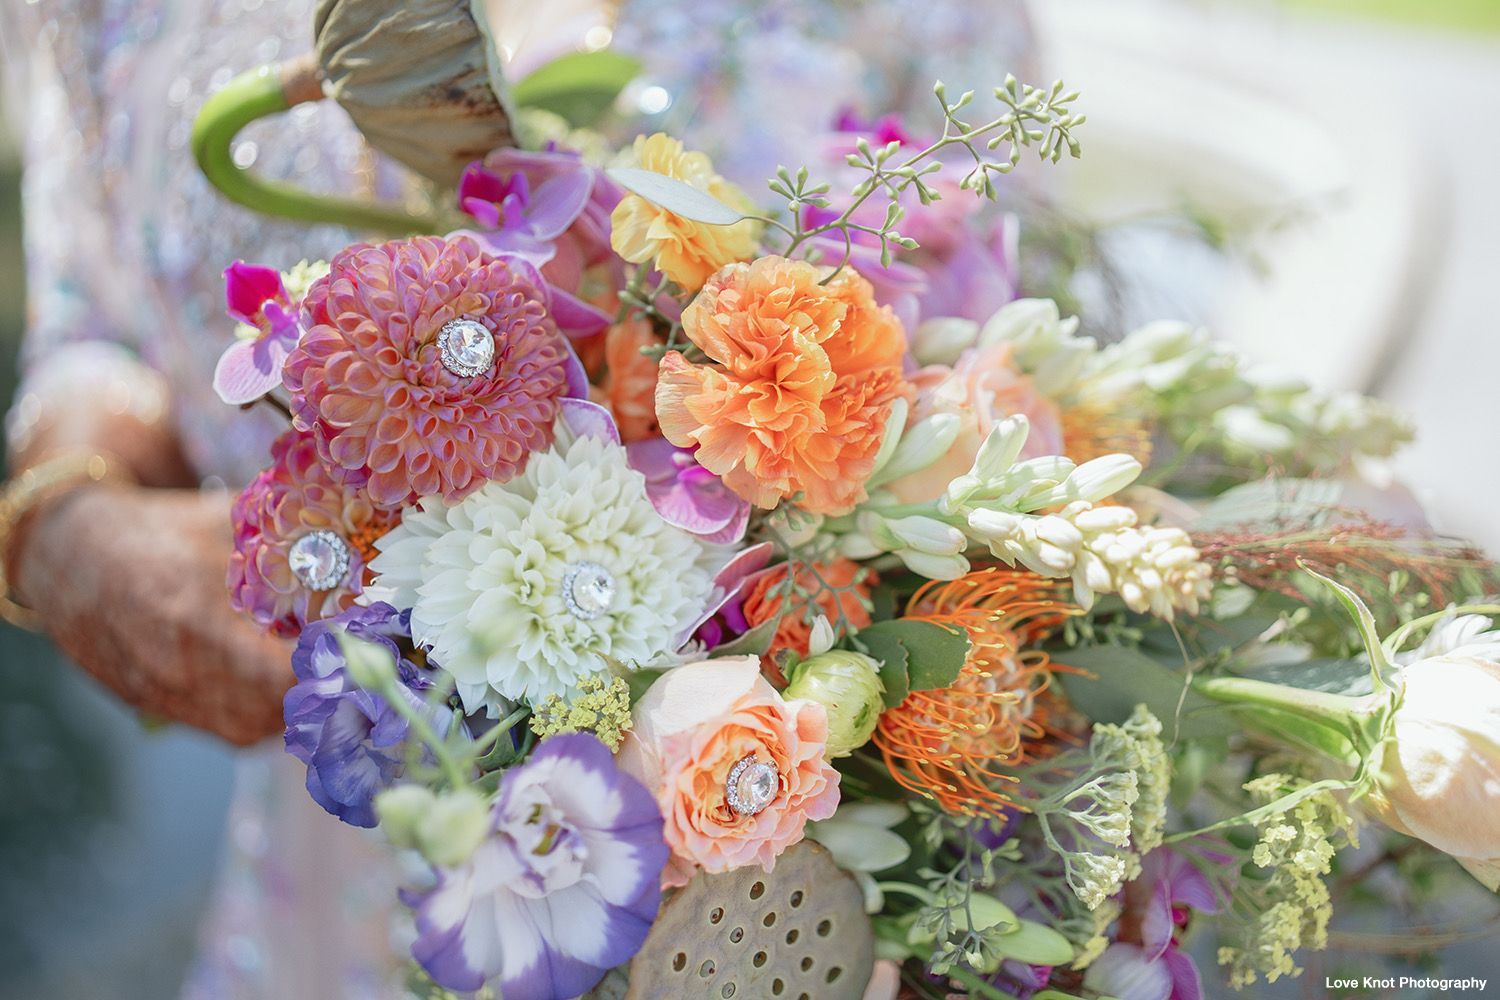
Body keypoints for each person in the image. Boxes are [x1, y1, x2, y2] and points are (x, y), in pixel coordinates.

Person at [0, 0, 1034, 995]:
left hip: (754, 905)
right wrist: (66, 520)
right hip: (331, 848)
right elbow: (92, 318)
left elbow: (1008, 385)